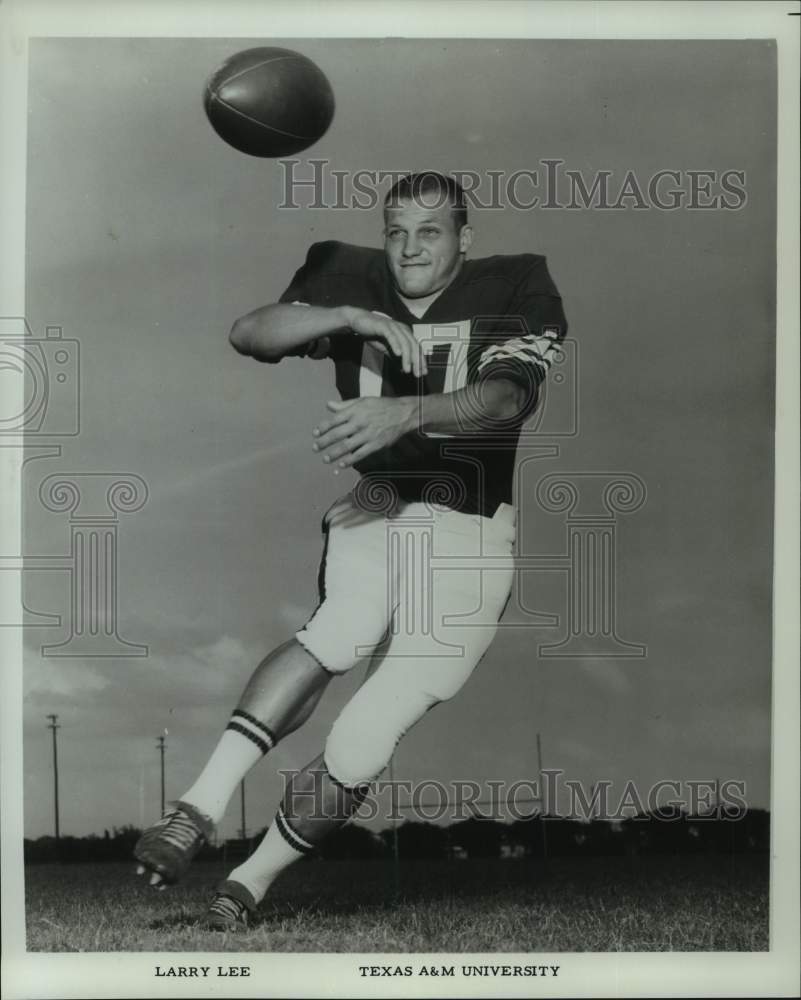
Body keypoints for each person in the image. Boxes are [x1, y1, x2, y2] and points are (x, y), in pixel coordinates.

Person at [134, 171, 567, 929]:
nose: (408, 248)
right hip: (378, 499)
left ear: (465, 238)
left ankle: (246, 883)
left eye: (429, 232)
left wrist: (410, 410)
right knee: (342, 627)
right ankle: (194, 810)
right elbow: (248, 332)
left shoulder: (517, 284)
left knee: (365, 739)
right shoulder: (349, 272)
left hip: (468, 520)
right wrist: (342, 316)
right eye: (396, 230)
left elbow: (508, 397)